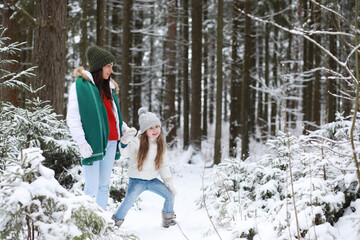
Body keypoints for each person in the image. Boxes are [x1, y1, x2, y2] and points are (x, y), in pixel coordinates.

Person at [66, 45, 136, 210]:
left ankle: (101, 221)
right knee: (91, 188)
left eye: (112, 66)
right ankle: (85, 222)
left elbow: (112, 115)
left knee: (104, 186)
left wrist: (123, 129)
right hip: (93, 144)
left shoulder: (109, 88)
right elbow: (73, 118)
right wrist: (81, 142)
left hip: (111, 141)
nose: (111, 70)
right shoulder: (80, 87)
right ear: (99, 66)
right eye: (108, 66)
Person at [112, 107, 177, 228]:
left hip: (152, 180)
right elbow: (125, 153)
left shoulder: (160, 144)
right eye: (150, 128)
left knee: (170, 195)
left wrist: (168, 181)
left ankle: (168, 220)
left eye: (156, 126)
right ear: (144, 130)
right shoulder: (138, 141)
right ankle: (115, 223)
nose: (155, 130)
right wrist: (124, 143)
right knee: (128, 203)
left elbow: (164, 164)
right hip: (136, 181)